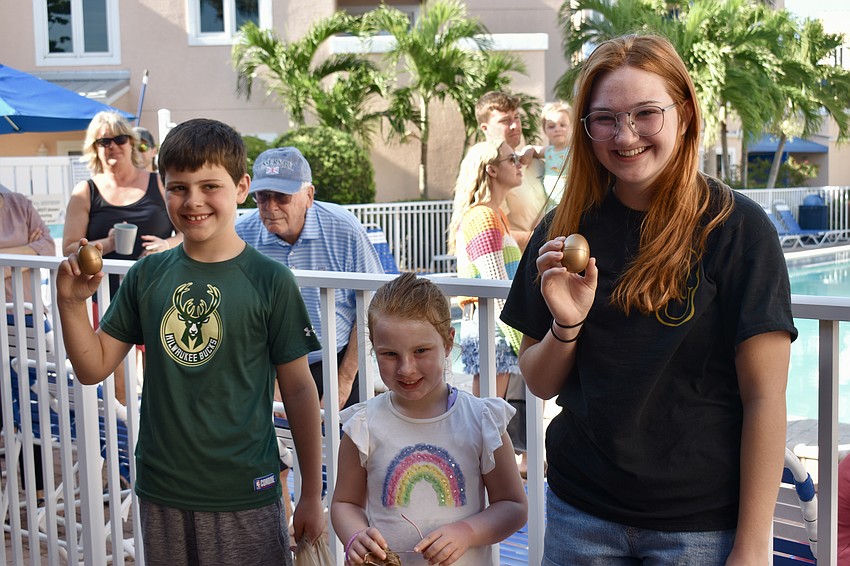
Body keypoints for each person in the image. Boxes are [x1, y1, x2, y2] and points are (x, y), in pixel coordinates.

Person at [501, 34, 797, 565]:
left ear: (684, 114)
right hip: (580, 514)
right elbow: (540, 382)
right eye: (605, 119)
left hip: (699, 529)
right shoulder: (563, 230)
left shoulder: (738, 230)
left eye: (645, 114)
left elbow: (765, 397)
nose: (625, 135)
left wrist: (754, 544)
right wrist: (567, 325)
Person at [56, 118, 325, 566]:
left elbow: (299, 390)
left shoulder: (271, 281)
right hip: (162, 490)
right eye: (179, 187)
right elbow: (93, 366)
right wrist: (69, 303)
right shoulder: (146, 275)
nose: (193, 200)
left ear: (241, 188)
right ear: (163, 189)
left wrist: (311, 494)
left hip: (245, 492)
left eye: (209, 186)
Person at [331, 272, 527, 566]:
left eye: (420, 351)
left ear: (448, 342)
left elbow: (513, 505)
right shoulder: (363, 426)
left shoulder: (482, 421)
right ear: (373, 347)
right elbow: (344, 503)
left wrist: (467, 532)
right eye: (389, 354)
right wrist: (356, 536)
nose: (406, 369)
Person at [235, 147, 384, 411]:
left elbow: (374, 301)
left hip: (340, 361)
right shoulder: (242, 234)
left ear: (309, 196)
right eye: (262, 196)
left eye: (282, 196)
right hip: (268, 364)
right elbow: (238, 314)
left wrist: (344, 380)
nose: (270, 207)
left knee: (347, 435)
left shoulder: (344, 228)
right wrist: (271, 381)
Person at [63, 112, 181, 405]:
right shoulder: (86, 191)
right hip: (107, 297)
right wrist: (108, 243)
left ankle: (156, 430)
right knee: (120, 386)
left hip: (159, 293)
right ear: (94, 148)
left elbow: (187, 232)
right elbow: (69, 248)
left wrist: (166, 244)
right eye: (104, 141)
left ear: (132, 143)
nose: (113, 146)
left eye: (119, 139)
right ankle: (127, 434)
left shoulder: (159, 182)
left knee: (162, 381)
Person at [447, 139, 528, 476]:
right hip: (493, 328)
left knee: (489, 416)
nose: (519, 163)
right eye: (512, 159)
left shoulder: (493, 215)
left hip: (494, 326)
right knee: (488, 418)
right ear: (491, 170)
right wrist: (522, 338)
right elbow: (496, 287)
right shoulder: (483, 217)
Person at [475, 91, 547, 252]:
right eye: (505, 121)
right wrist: (544, 239)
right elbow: (488, 232)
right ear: (485, 128)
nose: (515, 126)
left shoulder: (535, 163)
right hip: (514, 263)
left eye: (517, 118)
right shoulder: (487, 172)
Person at [1, 190, 56, 303]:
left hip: (32, 308)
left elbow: (49, 247)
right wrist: (32, 251)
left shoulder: (20, 204)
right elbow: (43, 250)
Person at [538, 101, 572, 210]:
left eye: (562, 125)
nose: (557, 129)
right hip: (551, 206)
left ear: (572, 127)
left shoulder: (574, 151)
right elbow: (534, 150)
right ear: (545, 130)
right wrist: (528, 151)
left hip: (571, 204)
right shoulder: (548, 151)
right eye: (551, 126)